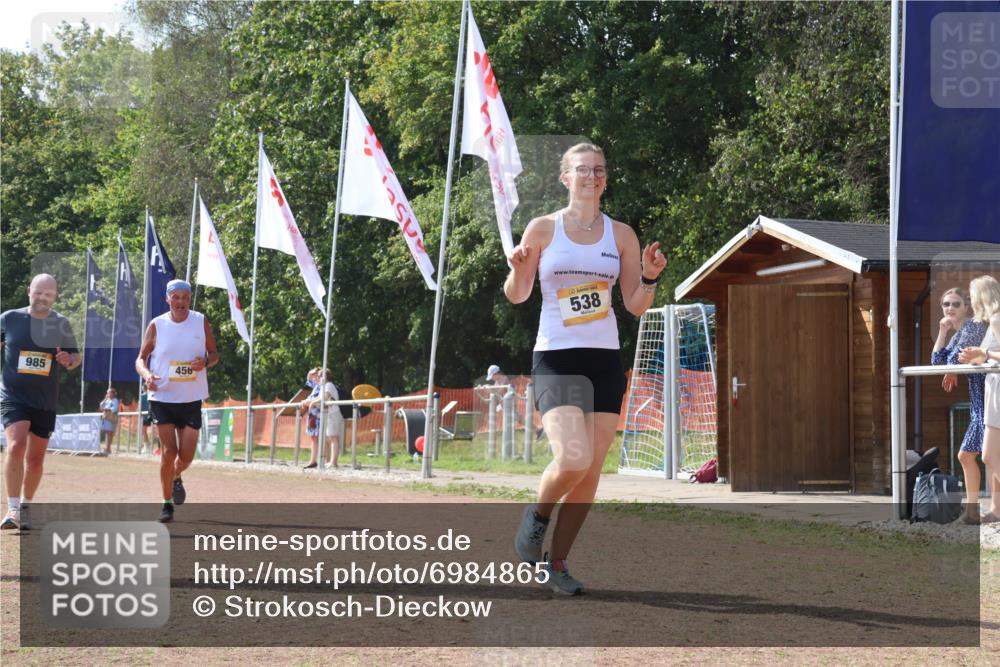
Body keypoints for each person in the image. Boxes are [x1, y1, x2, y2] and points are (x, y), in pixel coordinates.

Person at [504, 142, 666, 594]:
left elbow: (635, 305)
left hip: (604, 360)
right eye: (582, 169)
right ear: (565, 177)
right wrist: (518, 269)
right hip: (557, 358)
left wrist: (650, 277)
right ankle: (536, 519)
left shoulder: (622, 236)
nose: (591, 176)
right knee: (573, 457)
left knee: (591, 470)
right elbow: (518, 295)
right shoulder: (543, 229)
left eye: (598, 170)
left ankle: (557, 564)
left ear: (605, 179)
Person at [1, 274, 81, 531]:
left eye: (48, 294)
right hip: (13, 396)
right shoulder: (9, 319)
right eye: (38, 293)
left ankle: (25, 507)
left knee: (35, 459)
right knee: (16, 445)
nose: (42, 298)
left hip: (45, 400)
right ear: (29, 291)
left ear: (55, 296)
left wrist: (68, 360)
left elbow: (75, 357)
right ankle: (12, 508)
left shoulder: (61, 324)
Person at [136, 279, 219, 523]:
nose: (181, 302)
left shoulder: (200, 321)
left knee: (186, 457)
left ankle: (175, 476)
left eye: (185, 297)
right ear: (168, 299)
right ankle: (166, 504)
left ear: (190, 299)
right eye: (176, 297)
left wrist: (206, 362)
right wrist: (147, 375)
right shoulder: (157, 324)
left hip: (191, 398)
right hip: (162, 397)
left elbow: (214, 354)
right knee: (168, 451)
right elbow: (140, 358)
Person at [931, 287, 987, 524]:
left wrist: (952, 368)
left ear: (967, 307)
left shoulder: (974, 327)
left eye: (955, 304)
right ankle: (972, 511)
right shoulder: (956, 333)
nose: (950, 308)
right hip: (979, 403)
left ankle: (980, 510)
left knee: (986, 457)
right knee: (967, 456)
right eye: (946, 304)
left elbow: (954, 359)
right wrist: (943, 331)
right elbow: (937, 363)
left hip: (991, 399)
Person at [959, 275, 1000, 523]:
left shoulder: (996, 319)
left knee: (989, 456)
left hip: (998, 391)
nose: (971, 302)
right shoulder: (992, 321)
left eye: (972, 297)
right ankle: (996, 510)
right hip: (993, 390)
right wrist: (976, 358)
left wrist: (983, 352)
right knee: (992, 455)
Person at [301, 368, 342, 468]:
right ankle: (331, 462)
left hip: (333, 413)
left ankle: (333, 462)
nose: (317, 378)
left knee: (333, 438)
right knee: (331, 437)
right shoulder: (324, 386)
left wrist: (312, 402)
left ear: (324, 377)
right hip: (329, 414)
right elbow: (320, 397)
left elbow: (324, 397)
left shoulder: (329, 385)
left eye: (319, 376)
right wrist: (312, 402)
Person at [99, 387, 121, 455]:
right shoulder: (107, 400)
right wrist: (105, 399)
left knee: (110, 433)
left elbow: (114, 409)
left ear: (113, 394)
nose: (108, 394)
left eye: (109, 393)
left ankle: (108, 448)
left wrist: (106, 409)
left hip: (111, 418)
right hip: (106, 418)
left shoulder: (115, 400)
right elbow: (101, 406)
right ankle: (107, 448)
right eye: (107, 393)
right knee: (107, 433)